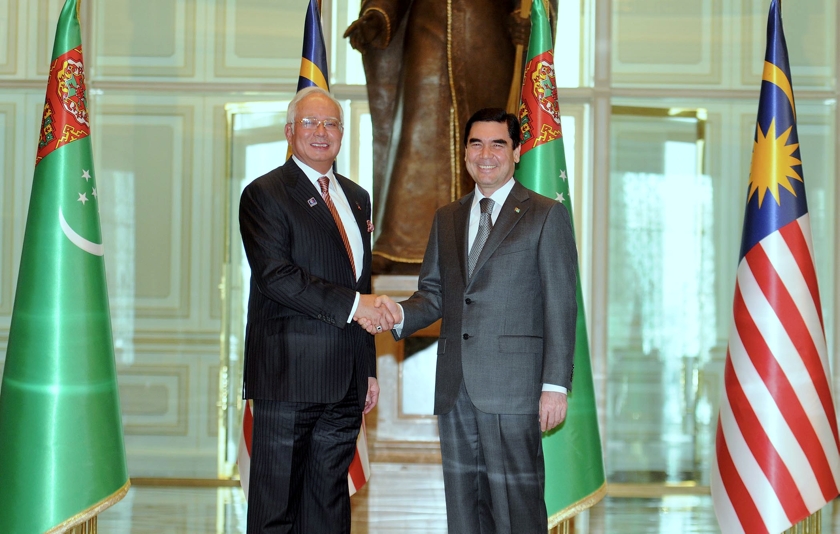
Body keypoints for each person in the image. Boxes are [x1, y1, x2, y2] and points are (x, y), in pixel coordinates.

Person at [362, 108, 578, 533]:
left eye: (498, 143)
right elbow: (436, 293)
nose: (486, 154)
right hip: (456, 390)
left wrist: (555, 386)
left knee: (518, 511)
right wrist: (398, 313)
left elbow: (561, 304)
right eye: (476, 143)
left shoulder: (545, 214)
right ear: (464, 154)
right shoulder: (449, 217)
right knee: (464, 513)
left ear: (517, 151)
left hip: (516, 393)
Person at [239, 86, 394, 534]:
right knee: (276, 512)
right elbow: (277, 277)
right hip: (289, 377)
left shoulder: (358, 196)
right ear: (290, 132)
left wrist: (367, 369)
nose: (321, 132)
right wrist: (355, 305)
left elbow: (361, 284)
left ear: (343, 134)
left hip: (345, 383)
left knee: (329, 509)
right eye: (309, 122)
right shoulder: (265, 193)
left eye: (331, 124)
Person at [344, 0, 557, 274]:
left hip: (488, 33)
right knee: (417, 129)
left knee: (489, 138)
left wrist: (533, 19)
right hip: (426, 28)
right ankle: (404, 245)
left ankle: (489, 239)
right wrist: (379, 14)